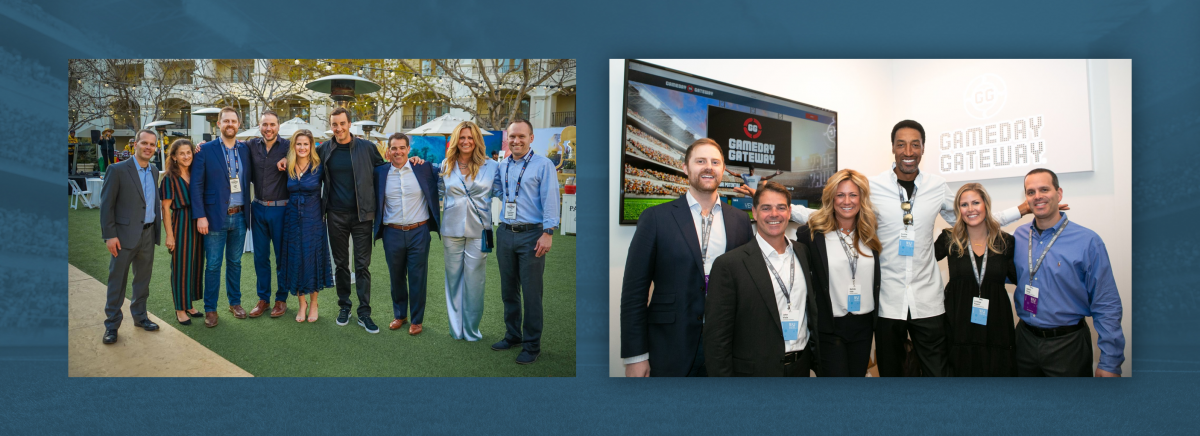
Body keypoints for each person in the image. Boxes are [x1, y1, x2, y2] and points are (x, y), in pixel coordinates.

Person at [738, 120, 1052, 377]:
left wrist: (1022, 208)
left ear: (923, 149)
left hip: (928, 300)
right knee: (891, 375)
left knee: (936, 373)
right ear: (892, 148)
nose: (908, 150)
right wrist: (775, 206)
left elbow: (975, 217)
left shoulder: (936, 186)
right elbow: (828, 215)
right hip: (887, 302)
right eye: (901, 144)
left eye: (915, 144)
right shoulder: (872, 187)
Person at [620, 138, 754, 377]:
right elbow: (634, 292)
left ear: (723, 170)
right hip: (670, 346)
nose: (708, 167)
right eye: (700, 161)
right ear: (685, 167)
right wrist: (636, 356)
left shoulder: (740, 221)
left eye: (715, 162)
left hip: (726, 347)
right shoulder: (655, 218)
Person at [1013, 168, 1124, 377]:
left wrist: (1110, 362)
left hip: (1068, 346)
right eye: (1031, 192)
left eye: (1044, 189)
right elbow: (977, 224)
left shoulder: (1088, 241)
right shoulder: (1017, 237)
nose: (1037, 196)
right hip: (1024, 342)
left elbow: (1106, 303)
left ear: (1059, 193)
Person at [705, 181, 820, 376]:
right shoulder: (729, 265)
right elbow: (717, 339)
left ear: (789, 212)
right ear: (755, 213)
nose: (774, 214)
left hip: (801, 369)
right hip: (754, 374)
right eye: (766, 208)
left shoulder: (803, 252)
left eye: (781, 208)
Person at [794, 169, 882, 377]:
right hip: (830, 327)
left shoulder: (870, 233)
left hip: (863, 326)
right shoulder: (812, 235)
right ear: (831, 198)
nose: (846, 201)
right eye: (840, 195)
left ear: (861, 199)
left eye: (853, 195)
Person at [491, 119, 560, 365]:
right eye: (512, 137)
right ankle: (513, 335)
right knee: (508, 290)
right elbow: (498, 189)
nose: (516, 141)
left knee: (532, 293)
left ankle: (532, 345)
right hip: (506, 233)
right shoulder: (502, 165)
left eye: (521, 136)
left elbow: (551, 198)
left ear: (531, 138)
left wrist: (548, 232)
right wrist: (512, 199)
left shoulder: (543, 165)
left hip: (533, 235)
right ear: (507, 139)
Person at [934, 183, 1018, 376]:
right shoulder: (949, 238)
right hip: (958, 322)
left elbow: (1019, 277)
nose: (970, 209)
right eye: (964, 205)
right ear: (958, 210)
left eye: (975, 203)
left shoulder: (1006, 241)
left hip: (996, 324)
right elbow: (922, 264)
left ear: (986, 205)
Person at [318, 107, 387, 333]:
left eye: (342, 124)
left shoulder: (367, 148)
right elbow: (303, 162)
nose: (338, 128)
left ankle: (364, 312)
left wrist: (412, 161)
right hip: (335, 215)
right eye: (334, 124)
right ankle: (344, 306)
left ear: (350, 124)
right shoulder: (324, 150)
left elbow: (385, 170)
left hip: (362, 216)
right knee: (341, 264)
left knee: (362, 265)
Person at [190, 106, 252, 328]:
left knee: (235, 262)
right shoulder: (205, 150)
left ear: (238, 124)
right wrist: (200, 216)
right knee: (214, 265)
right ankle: (211, 308)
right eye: (226, 121)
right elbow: (196, 185)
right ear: (219, 124)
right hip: (214, 217)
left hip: (240, 216)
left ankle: (235, 303)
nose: (230, 125)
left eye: (233, 121)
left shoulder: (245, 150)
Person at [98, 129, 162, 344]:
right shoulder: (116, 170)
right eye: (144, 143)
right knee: (117, 281)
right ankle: (112, 325)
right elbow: (107, 206)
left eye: (152, 144)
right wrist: (109, 236)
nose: (148, 147)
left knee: (142, 280)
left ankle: (140, 317)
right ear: (134, 144)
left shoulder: (154, 170)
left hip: (147, 234)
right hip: (123, 237)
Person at [373, 132, 440, 335]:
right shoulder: (380, 172)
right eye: (394, 148)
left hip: (419, 231)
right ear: (388, 151)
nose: (398, 151)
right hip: (392, 232)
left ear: (409, 149)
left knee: (418, 277)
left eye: (402, 147)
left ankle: (417, 320)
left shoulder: (424, 168)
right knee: (396, 277)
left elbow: (449, 172)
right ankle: (400, 315)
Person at [438, 122, 499, 341]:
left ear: (477, 141)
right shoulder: (446, 165)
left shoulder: (492, 167)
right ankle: (456, 329)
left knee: (475, 282)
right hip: (451, 230)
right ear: (456, 140)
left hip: (479, 231)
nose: (466, 141)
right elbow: (436, 190)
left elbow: (503, 191)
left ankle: (471, 330)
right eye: (462, 137)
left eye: (470, 137)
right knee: (453, 280)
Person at [281, 129, 331, 323]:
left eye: (306, 144)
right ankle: (302, 304)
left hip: (314, 220)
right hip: (292, 220)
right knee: (296, 260)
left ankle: (314, 303)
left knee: (313, 260)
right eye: (298, 144)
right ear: (294, 146)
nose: (302, 147)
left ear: (311, 146)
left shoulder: (319, 167)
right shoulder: (288, 167)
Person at [245, 110, 291, 318]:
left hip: (281, 209)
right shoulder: (250, 146)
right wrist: (200, 147)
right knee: (260, 257)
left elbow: (307, 159)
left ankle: (281, 299)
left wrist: (290, 162)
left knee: (282, 257)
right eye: (265, 124)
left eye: (272, 124)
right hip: (258, 208)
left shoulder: (289, 147)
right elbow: (227, 148)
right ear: (260, 126)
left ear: (278, 126)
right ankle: (263, 298)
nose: (268, 128)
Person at [159, 139, 205, 325]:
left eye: (189, 152)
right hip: (181, 223)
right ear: (174, 157)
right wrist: (170, 235)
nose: (186, 156)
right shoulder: (169, 178)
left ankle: (189, 304)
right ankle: (180, 308)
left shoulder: (196, 173)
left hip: (198, 223)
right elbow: (165, 209)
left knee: (195, 265)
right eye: (182, 153)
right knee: (180, 267)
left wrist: (202, 148)